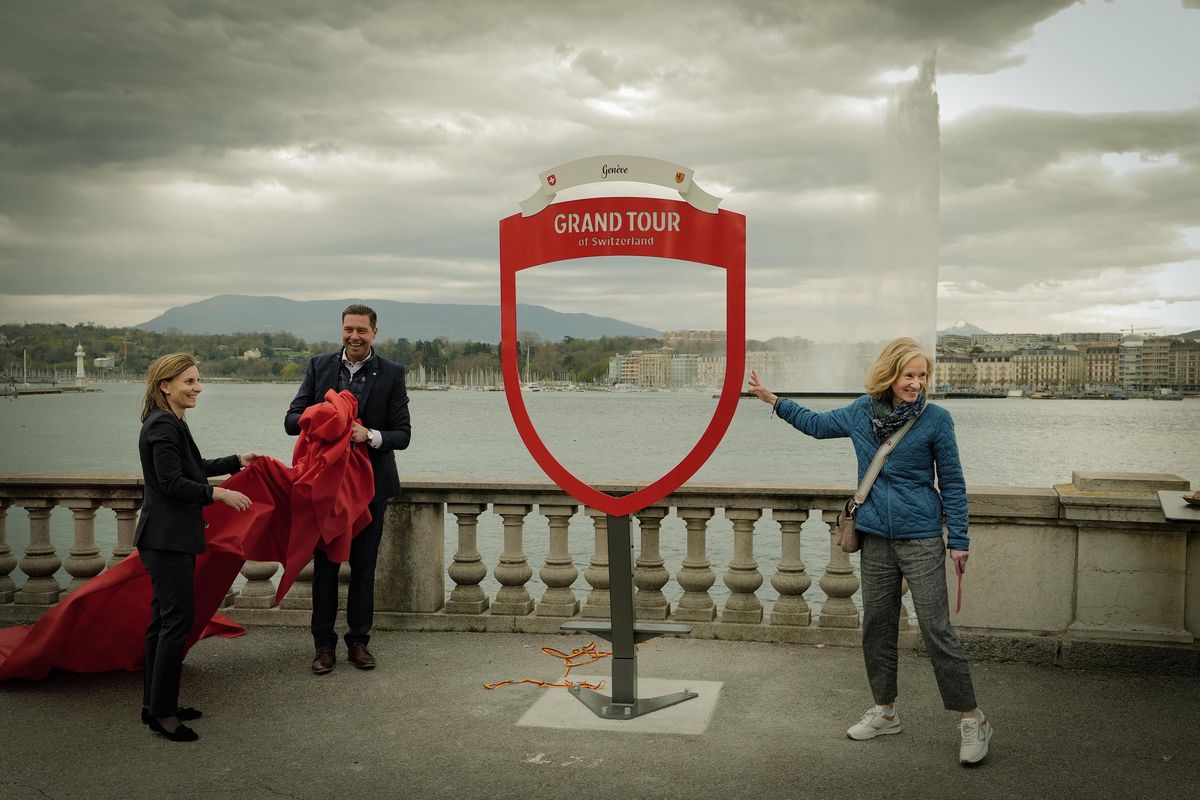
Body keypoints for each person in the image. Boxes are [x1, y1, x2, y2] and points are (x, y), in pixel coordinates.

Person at [746, 337, 992, 765]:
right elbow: (818, 425)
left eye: (922, 376)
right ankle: (885, 711)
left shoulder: (937, 420)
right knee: (876, 628)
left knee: (937, 631)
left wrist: (959, 540)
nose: (916, 383)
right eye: (908, 375)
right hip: (875, 536)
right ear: (889, 374)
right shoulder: (862, 411)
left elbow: (952, 482)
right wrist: (775, 401)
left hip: (920, 539)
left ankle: (972, 718)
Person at [135, 353, 260, 742]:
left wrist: (235, 461)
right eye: (189, 381)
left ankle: (155, 704)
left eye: (197, 380)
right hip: (166, 540)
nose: (197, 387)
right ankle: (163, 713)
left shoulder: (172, 423)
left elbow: (192, 465)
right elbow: (172, 483)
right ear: (165, 386)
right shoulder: (162, 427)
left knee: (163, 623)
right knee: (175, 624)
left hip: (168, 538)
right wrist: (217, 493)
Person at [285, 303, 411, 675]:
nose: (354, 336)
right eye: (348, 329)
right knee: (325, 568)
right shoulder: (319, 366)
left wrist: (366, 434)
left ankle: (359, 642)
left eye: (362, 330)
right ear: (341, 330)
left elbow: (402, 435)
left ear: (375, 333)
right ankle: (323, 646)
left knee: (364, 568)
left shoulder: (392, 373)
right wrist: (326, 419)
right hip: (327, 490)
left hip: (372, 487)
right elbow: (292, 420)